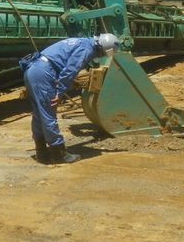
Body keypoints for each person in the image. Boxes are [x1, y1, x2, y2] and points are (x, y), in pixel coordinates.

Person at [20, 33, 120, 164]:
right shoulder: (87, 49)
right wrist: (60, 92)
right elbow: (70, 70)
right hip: (43, 73)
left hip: (33, 70)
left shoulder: (82, 42)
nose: (101, 56)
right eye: (103, 54)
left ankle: (42, 152)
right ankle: (58, 153)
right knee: (48, 113)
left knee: (39, 114)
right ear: (103, 49)